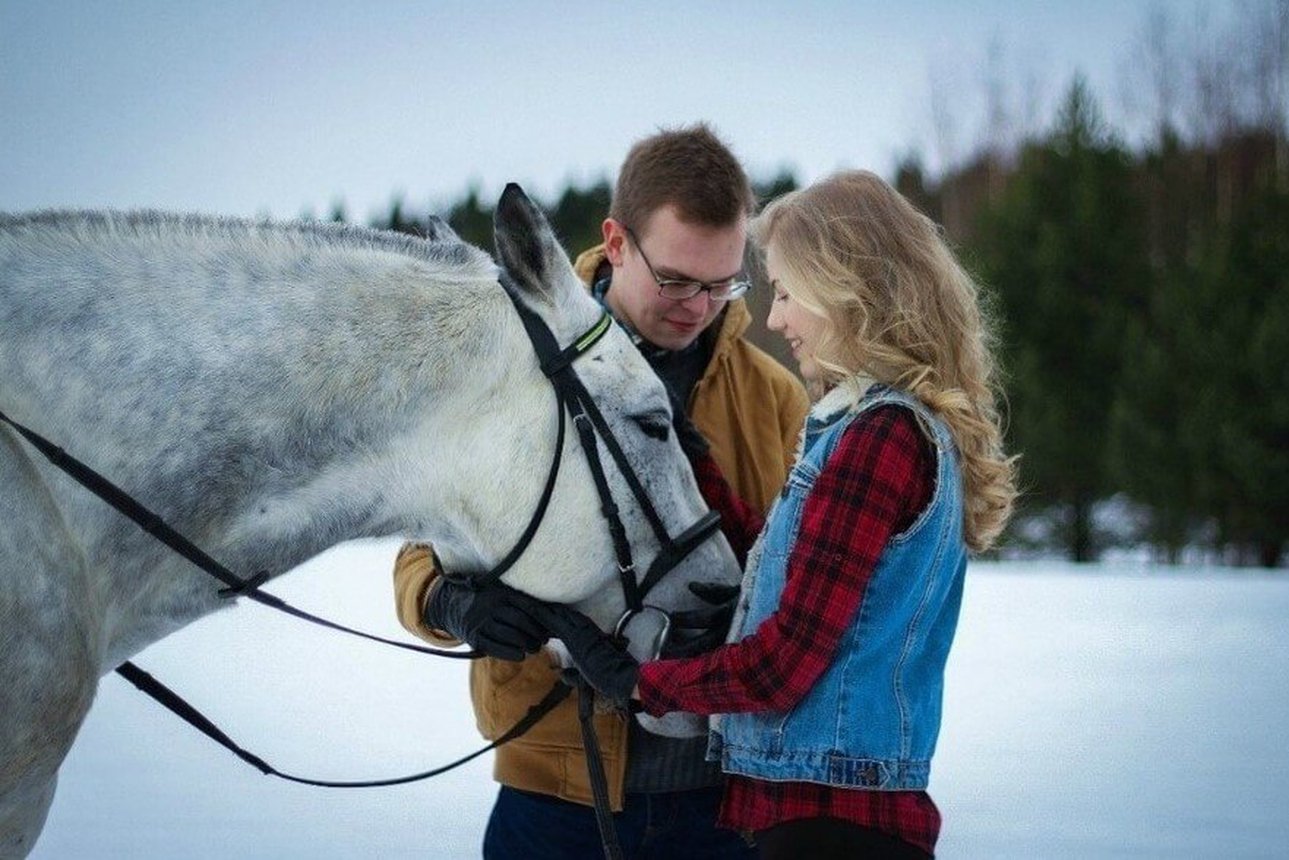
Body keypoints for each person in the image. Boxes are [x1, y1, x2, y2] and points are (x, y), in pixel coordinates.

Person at [550, 170, 1019, 858]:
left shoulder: (878, 440)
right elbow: (780, 567)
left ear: (847, 289)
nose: (774, 319)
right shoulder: (864, 426)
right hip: (830, 812)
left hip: (831, 827)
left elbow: (781, 666)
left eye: (789, 293)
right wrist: (687, 452)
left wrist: (636, 683)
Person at [393, 124, 809, 859]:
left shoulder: (772, 397)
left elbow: (792, 585)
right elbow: (418, 553)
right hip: (553, 793)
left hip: (721, 802)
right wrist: (451, 602)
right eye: (676, 280)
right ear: (616, 243)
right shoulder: (518, 370)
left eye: (722, 283)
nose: (698, 305)